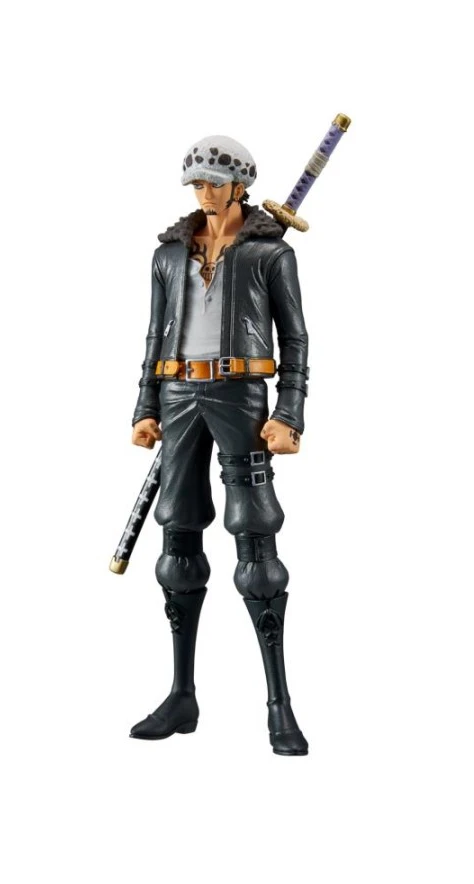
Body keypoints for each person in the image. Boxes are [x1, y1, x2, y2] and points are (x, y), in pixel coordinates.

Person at [128, 135, 310, 755]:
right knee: (176, 533)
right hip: (179, 396)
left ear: (239, 187)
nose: (203, 193)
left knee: (255, 539)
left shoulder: (269, 255)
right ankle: (181, 694)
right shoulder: (169, 255)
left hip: (240, 396)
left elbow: (296, 339)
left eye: (212, 183)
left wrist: (288, 413)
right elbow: (155, 336)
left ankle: (279, 705)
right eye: (196, 184)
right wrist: (146, 407)